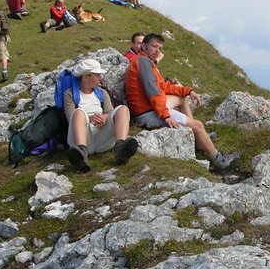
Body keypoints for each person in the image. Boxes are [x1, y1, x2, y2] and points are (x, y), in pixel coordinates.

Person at [125, 33, 240, 173]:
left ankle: (199, 139)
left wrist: (188, 91)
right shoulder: (142, 62)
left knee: (181, 96)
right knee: (198, 125)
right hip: (147, 113)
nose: (157, 51)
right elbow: (152, 91)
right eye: (154, 46)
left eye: (160, 48)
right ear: (144, 46)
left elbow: (163, 86)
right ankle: (219, 162)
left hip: (149, 107)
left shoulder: (147, 62)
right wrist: (166, 116)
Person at [65, 58, 138, 172]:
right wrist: (90, 118)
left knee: (123, 109)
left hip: (101, 137)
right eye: (97, 75)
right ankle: (81, 153)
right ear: (85, 77)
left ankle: (120, 147)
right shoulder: (70, 94)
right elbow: (70, 118)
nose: (101, 78)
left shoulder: (102, 92)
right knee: (79, 113)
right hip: (82, 136)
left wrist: (105, 117)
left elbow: (110, 112)